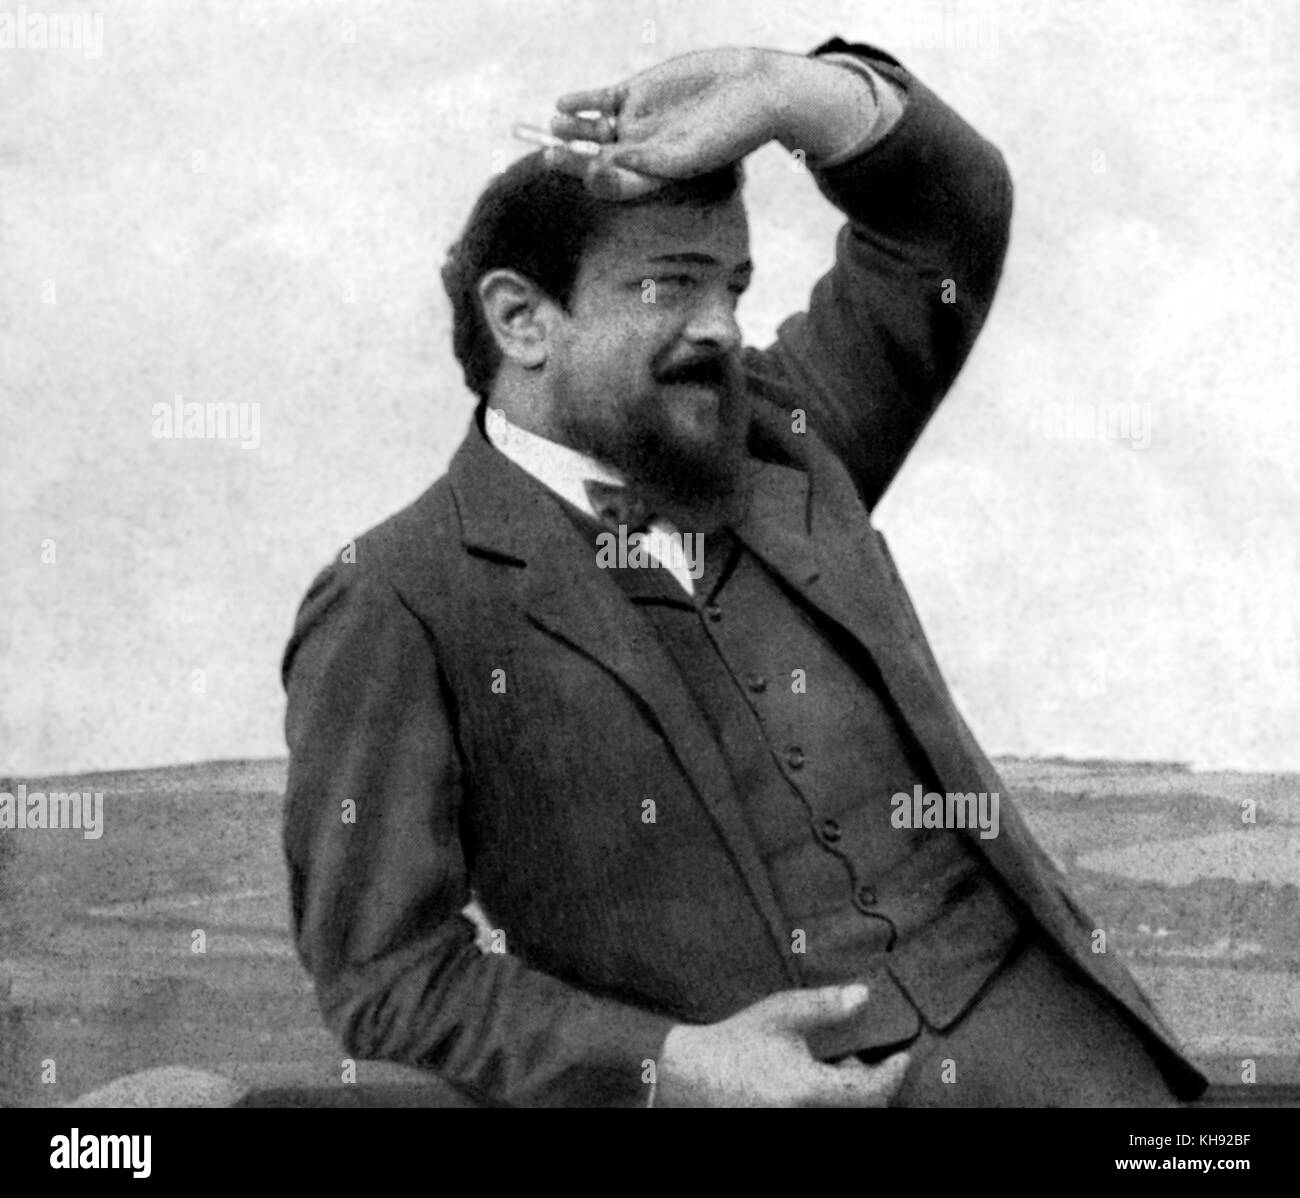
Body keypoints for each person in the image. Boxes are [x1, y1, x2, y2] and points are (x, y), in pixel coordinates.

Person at [281, 36, 1209, 1107]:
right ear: (520, 319)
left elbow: (946, 221)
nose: (720, 326)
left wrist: (783, 93)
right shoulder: (395, 595)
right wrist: (670, 1062)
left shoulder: (782, 435)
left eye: (733, 284)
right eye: (669, 288)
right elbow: (385, 976)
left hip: (1050, 1040)